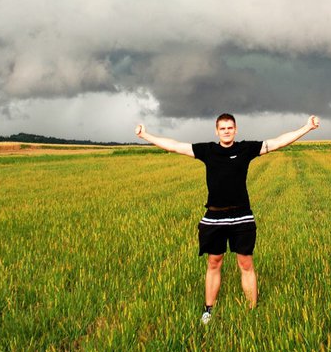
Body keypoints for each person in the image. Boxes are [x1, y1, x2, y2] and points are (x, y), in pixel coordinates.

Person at [135, 113, 320, 324]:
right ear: (217, 131)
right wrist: (146, 136)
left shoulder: (245, 149)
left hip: (242, 216)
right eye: (222, 128)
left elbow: (277, 142)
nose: (226, 131)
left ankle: (252, 312)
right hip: (214, 217)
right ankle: (208, 310)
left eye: (229, 128)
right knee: (214, 262)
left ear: (235, 129)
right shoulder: (208, 151)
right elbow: (175, 146)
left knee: (246, 263)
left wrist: (306, 128)